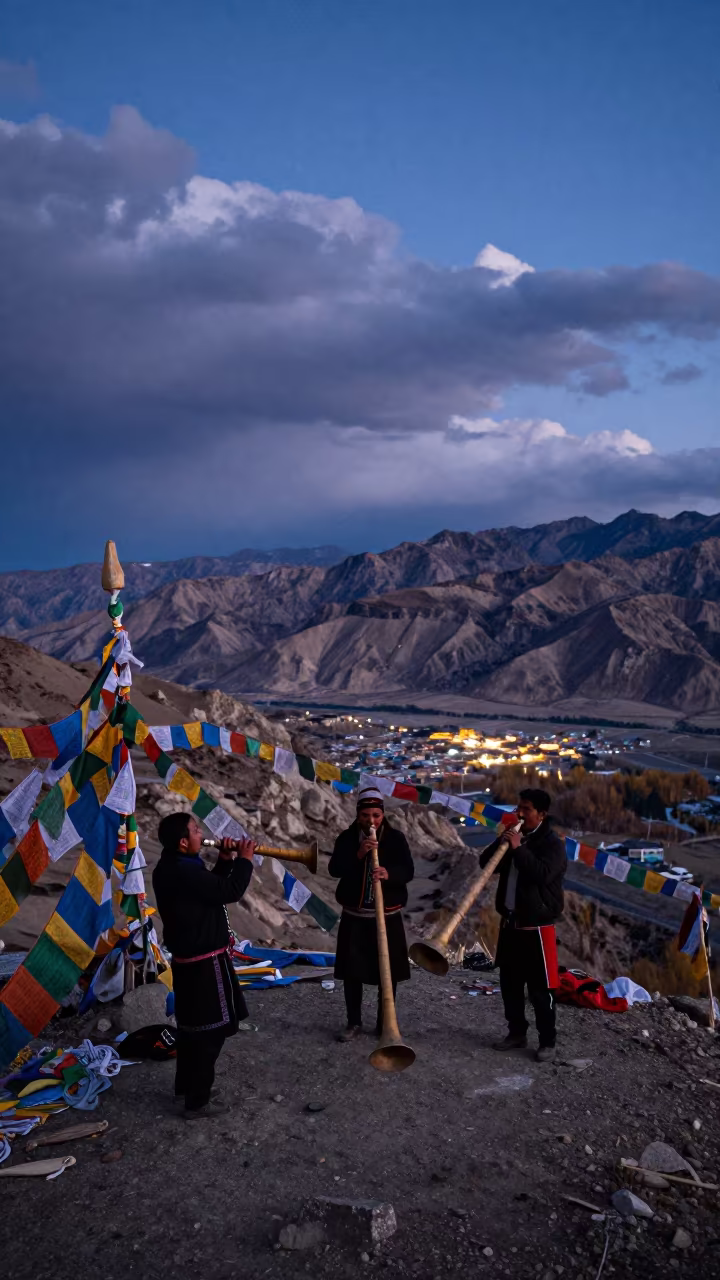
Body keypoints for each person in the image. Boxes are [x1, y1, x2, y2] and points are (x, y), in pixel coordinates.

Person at [152, 812, 256, 1117]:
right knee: (210, 1032)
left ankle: (188, 1088)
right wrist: (245, 860)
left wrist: (225, 860)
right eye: (197, 830)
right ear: (184, 842)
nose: (202, 834)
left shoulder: (174, 866)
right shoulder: (184, 871)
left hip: (191, 963)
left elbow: (210, 889)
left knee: (191, 1029)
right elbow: (229, 892)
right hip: (203, 966)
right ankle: (197, 1102)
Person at [479, 788, 566, 1062]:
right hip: (510, 925)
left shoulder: (552, 844)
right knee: (510, 985)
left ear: (541, 814)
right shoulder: (515, 837)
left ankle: (547, 1041)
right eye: (519, 807)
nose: (520, 813)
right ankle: (516, 1032)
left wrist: (518, 848)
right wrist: (501, 842)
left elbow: (541, 875)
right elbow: (486, 864)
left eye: (526, 809)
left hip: (537, 928)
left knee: (541, 989)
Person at [329, 787, 414, 1041]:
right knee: (351, 972)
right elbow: (335, 870)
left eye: (376, 815)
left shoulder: (396, 838)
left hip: (387, 915)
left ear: (383, 814)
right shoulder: (346, 838)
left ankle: (384, 1023)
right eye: (365, 815)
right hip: (355, 915)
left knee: (388, 972)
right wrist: (359, 854)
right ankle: (353, 1022)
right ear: (357, 815)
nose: (371, 821)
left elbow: (408, 870)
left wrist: (389, 874)